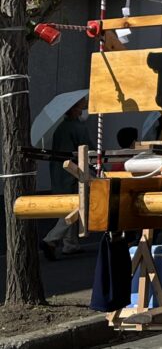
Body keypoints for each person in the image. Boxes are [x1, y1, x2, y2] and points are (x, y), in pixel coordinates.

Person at [42, 96, 93, 260]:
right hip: (74, 171)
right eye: (81, 107)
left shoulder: (61, 128)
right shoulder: (77, 128)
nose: (83, 110)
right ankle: (51, 239)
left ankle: (70, 244)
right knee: (78, 204)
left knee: (68, 204)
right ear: (73, 109)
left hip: (60, 170)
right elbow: (87, 149)